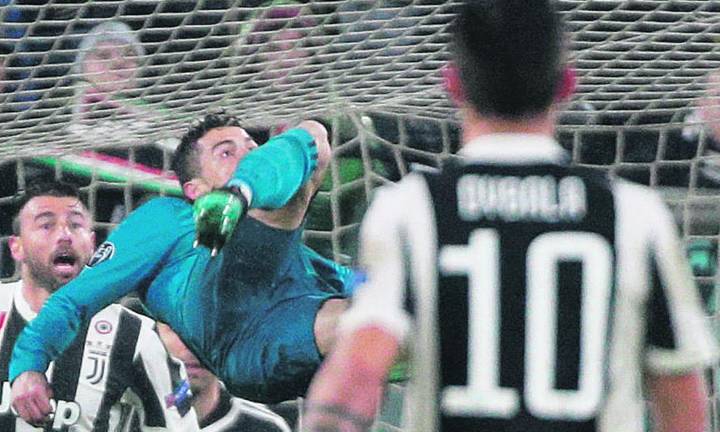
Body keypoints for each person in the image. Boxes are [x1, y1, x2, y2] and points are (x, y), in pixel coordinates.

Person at [304, 1, 719, 432]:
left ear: (452, 84)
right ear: (567, 84)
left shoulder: (409, 210)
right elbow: (682, 399)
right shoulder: (633, 214)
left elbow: (356, 373)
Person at [8, 112, 359, 425]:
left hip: (294, 331)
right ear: (195, 189)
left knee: (380, 321)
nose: (248, 154)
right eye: (226, 152)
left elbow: (332, 276)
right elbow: (73, 300)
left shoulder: (283, 243)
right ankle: (235, 197)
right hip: (233, 332)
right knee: (311, 135)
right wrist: (27, 364)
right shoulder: (165, 220)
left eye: (252, 146)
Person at [0, 179, 198, 431]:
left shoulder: (134, 336)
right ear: (17, 247)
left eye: (75, 224)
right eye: (46, 225)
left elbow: (180, 426)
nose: (65, 235)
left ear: (92, 243)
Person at [121, 297, 294, 432]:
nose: (192, 345)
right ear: (151, 334)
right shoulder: (113, 417)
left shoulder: (263, 428)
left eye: (206, 329)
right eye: (176, 328)